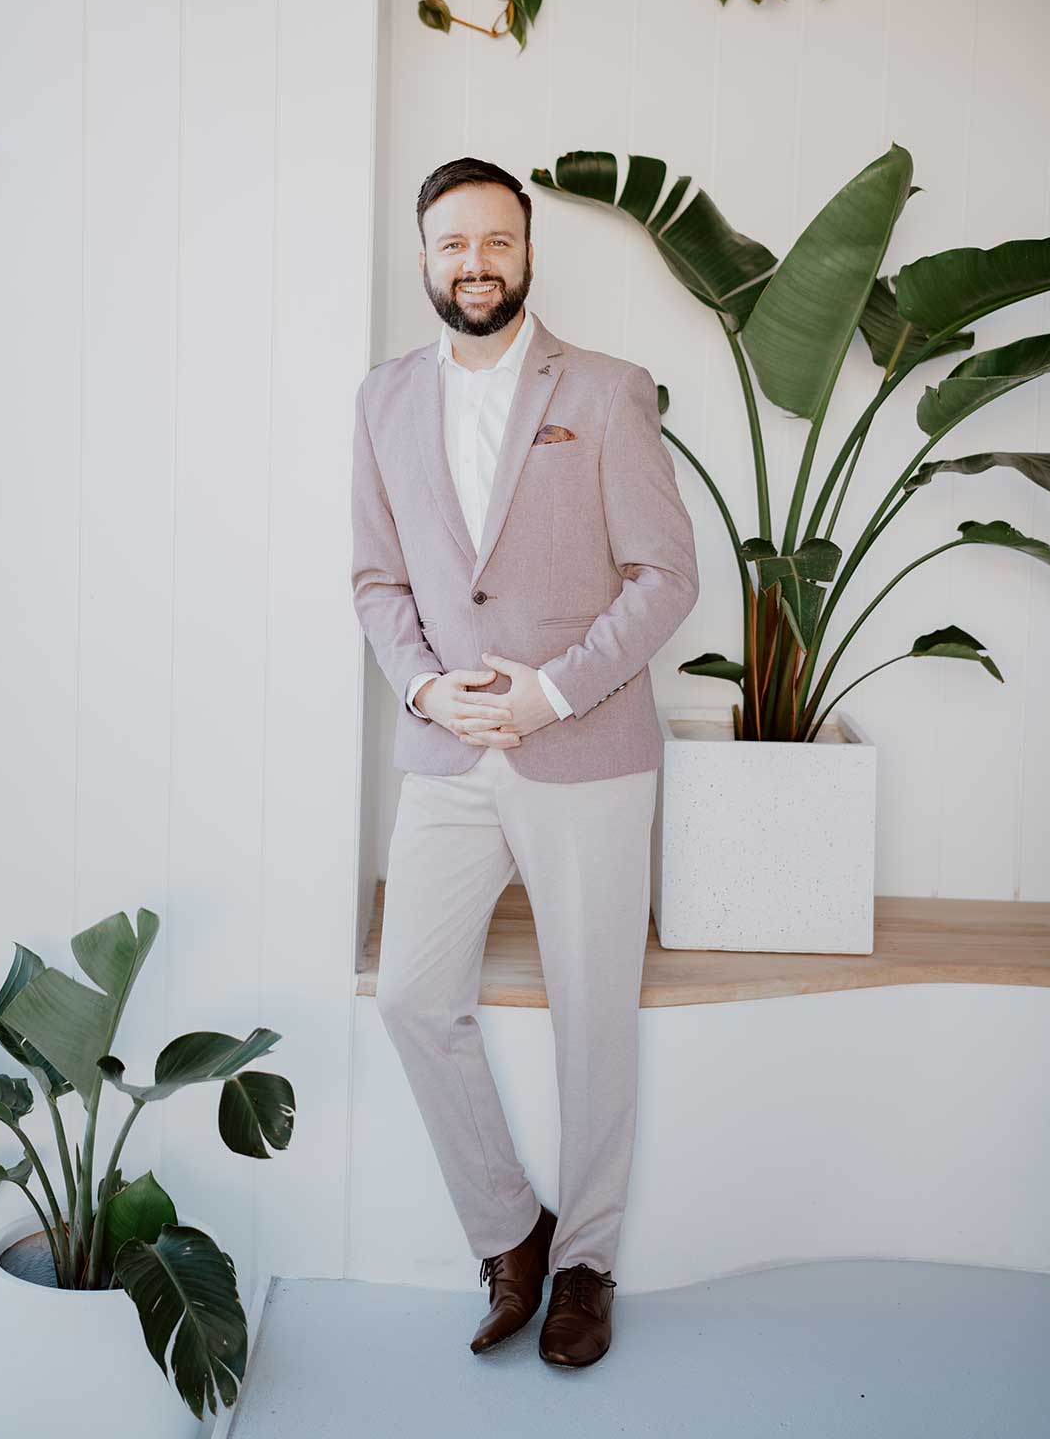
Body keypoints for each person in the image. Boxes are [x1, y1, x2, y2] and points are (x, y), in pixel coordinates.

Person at [350, 156, 699, 1368]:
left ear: (528, 250)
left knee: (594, 1014)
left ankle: (589, 1260)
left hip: (584, 748)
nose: (476, 263)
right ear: (426, 255)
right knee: (410, 996)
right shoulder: (384, 398)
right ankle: (513, 1227)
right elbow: (377, 581)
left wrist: (549, 692)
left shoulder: (604, 392)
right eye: (453, 244)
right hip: (447, 752)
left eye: (496, 241)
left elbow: (668, 576)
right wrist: (422, 682)